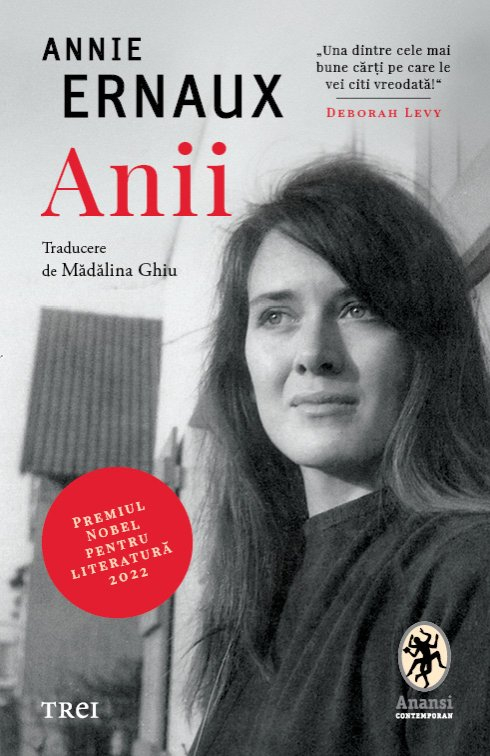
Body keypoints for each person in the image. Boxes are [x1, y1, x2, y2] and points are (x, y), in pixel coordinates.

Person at [188, 156, 490, 755]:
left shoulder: (467, 576)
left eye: (358, 308)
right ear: (241, 360)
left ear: (427, 343)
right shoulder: (259, 595)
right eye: (276, 315)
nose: (313, 354)